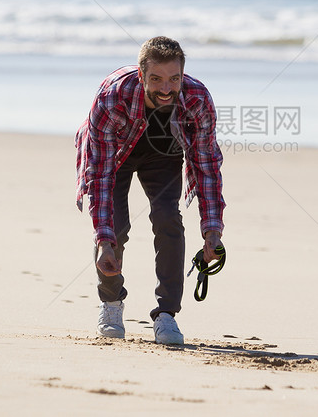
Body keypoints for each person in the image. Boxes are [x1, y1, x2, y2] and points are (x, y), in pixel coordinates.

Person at [75, 36, 225, 345]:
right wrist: (104, 240)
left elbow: (207, 165)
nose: (166, 88)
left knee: (168, 218)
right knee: (115, 228)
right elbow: (99, 175)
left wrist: (212, 230)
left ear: (183, 75)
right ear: (142, 75)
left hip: (164, 153)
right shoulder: (112, 96)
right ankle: (111, 303)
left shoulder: (197, 99)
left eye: (174, 79)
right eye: (156, 79)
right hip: (114, 153)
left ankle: (166, 314)